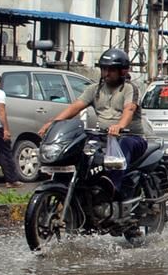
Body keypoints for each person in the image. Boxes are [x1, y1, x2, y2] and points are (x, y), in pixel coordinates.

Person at [41, 47, 141, 188]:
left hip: (131, 137)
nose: (106, 73)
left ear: (122, 71)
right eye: (104, 69)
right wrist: (52, 123)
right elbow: (74, 107)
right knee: (79, 146)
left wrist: (120, 126)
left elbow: (129, 109)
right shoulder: (94, 89)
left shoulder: (129, 88)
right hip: (103, 136)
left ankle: (112, 186)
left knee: (123, 145)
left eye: (111, 70)